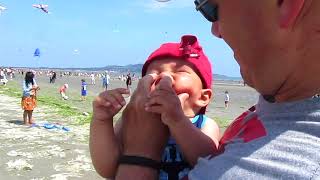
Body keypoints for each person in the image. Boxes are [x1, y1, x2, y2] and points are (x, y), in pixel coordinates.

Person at [114, 0, 320, 179]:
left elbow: (205, 154)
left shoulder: (282, 167)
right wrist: (102, 121)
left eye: (211, 7)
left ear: (285, 3)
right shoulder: (279, 106)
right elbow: (106, 163)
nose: (215, 31)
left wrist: (140, 153)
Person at [90, 35, 220, 179]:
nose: (164, 75)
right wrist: (102, 122)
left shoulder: (204, 124)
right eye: (154, 72)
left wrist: (178, 121)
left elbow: (212, 163)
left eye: (180, 71)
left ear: (203, 97)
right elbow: (107, 169)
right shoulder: (132, 122)